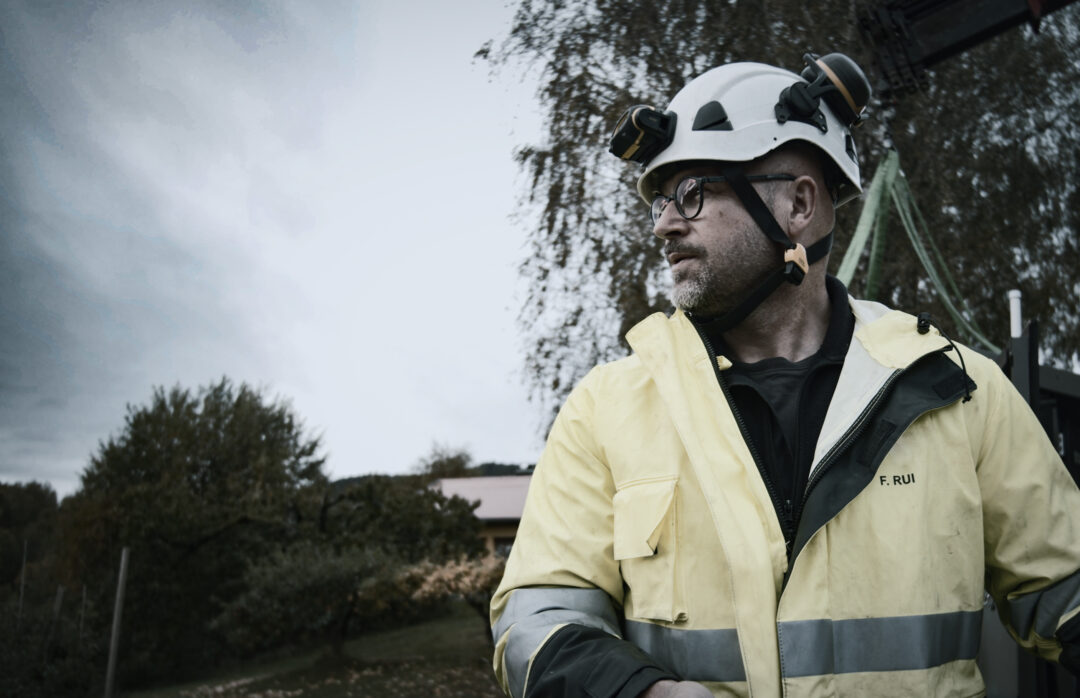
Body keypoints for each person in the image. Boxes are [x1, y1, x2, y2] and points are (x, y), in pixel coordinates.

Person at [490, 52, 1080, 698]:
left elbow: (1065, 589)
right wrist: (647, 694)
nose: (664, 224)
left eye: (693, 192)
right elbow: (537, 624)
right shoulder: (606, 409)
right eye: (660, 200)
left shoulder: (956, 392)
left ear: (798, 204)